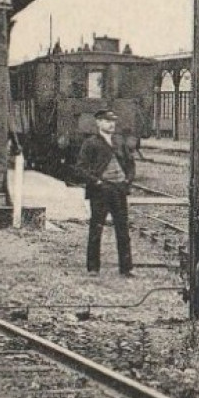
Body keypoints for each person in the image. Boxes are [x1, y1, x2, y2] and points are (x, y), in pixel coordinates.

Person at [75, 108, 136, 277]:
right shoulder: (91, 143)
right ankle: (93, 268)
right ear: (99, 123)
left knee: (123, 230)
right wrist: (97, 181)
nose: (112, 124)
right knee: (96, 229)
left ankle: (126, 268)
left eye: (113, 121)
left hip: (119, 190)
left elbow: (130, 165)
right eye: (108, 121)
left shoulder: (120, 142)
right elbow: (80, 168)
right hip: (100, 192)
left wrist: (127, 180)